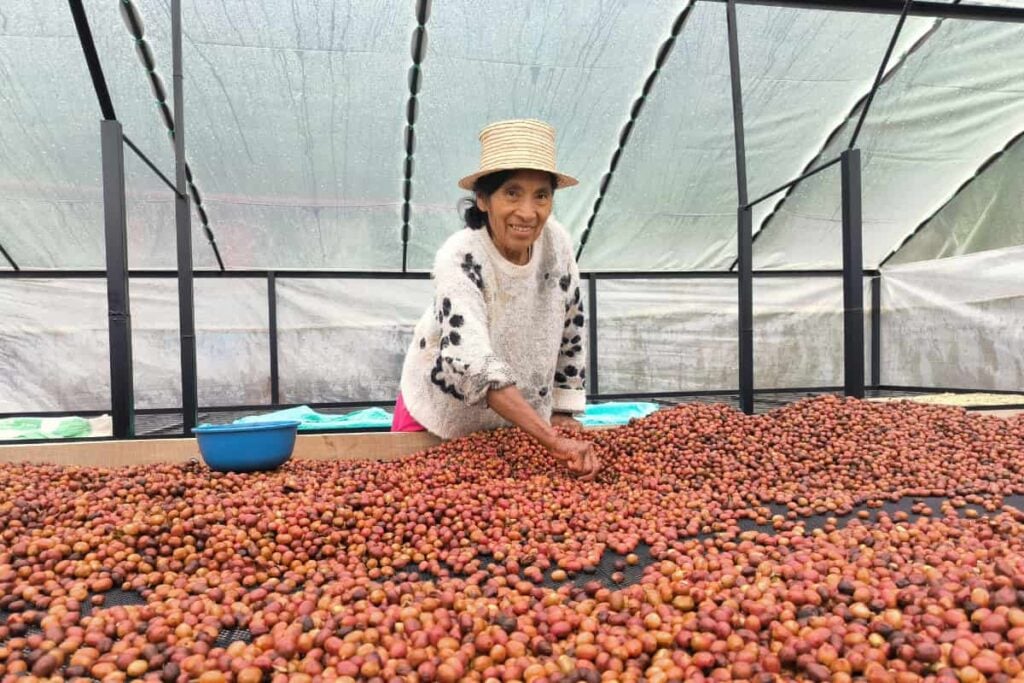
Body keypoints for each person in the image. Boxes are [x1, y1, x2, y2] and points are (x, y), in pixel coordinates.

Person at [392, 119, 599, 480]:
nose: (528, 212)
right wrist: (551, 440)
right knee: (429, 505)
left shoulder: (557, 246)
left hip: (521, 425)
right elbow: (474, 363)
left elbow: (572, 329)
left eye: (542, 195)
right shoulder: (461, 257)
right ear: (484, 200)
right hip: (443, 416)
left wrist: (564, 411)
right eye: (512, 193)